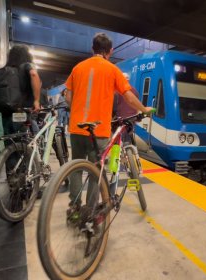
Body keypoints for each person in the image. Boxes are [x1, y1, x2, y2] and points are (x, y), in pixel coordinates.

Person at [65, 33, 152, 209]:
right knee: (96, 171)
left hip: (76, 127)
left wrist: (79, 108)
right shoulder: (112, 69)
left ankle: (74, 208)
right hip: (98, 131)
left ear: (92, 49)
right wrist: (144, 109)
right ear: (110, 51)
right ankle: (89, 211)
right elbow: (128, 96)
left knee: (76, 167)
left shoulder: (78, 68)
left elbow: (67, 95)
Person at [2, 45, 41, 135]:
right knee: (21, 140)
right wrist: (36, 100)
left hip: (6, 112)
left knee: (9, 141)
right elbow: (34, 74)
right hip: (21, 111)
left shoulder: (7, 69)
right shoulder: (26, 65)